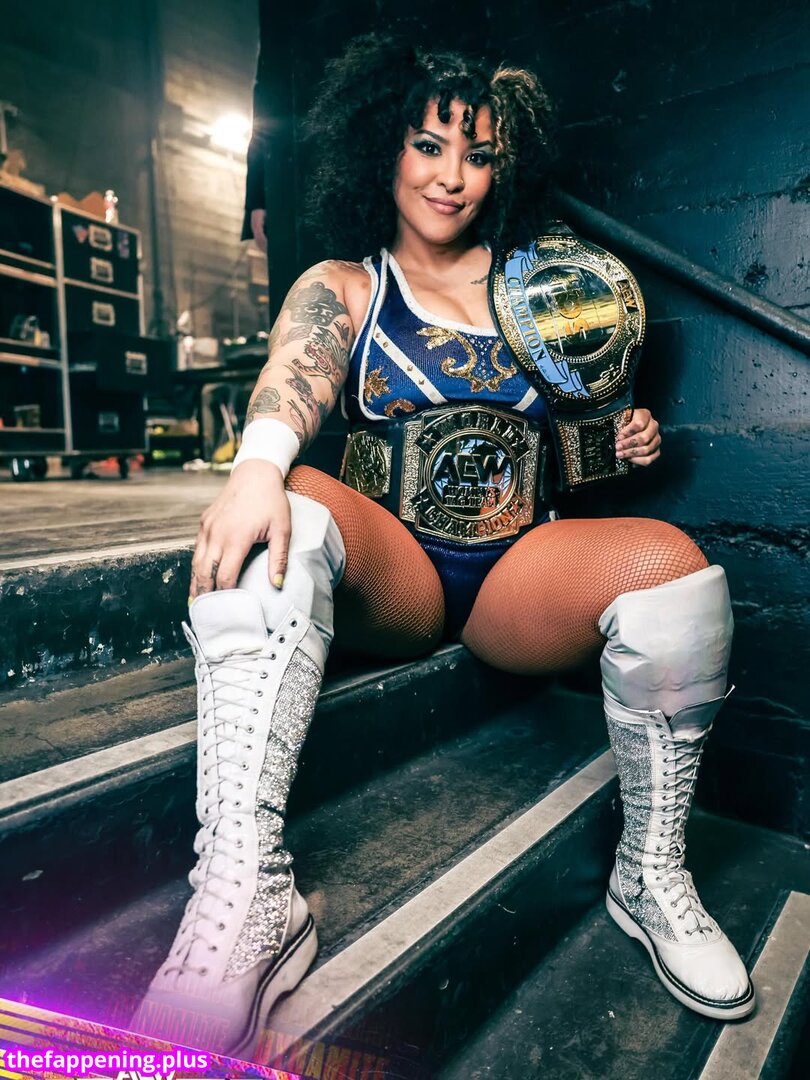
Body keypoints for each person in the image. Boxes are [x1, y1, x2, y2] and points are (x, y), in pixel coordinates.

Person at [133, 35, 755, 1056]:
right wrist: (254, 468)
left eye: (478, 155)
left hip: (517, 575)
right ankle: (246, 897)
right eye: (428, 145)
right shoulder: (348, 285)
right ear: (384, 148)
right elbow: (296, 372)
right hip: (401, 575)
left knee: (678, 577)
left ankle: (651, 873)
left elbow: (560, 455)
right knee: (283, 507)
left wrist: (621, 443)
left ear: (504, 169)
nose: (451, 176)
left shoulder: (540, 291)